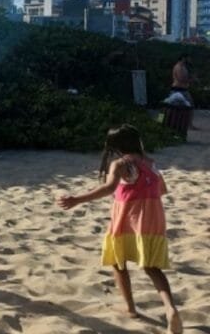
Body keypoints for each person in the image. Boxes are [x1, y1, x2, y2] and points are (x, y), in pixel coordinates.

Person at [57, 125, 182, 333]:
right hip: (153, 218)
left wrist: (77, 199)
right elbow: (163, 189)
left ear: (115, 146)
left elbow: (108, 188)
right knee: (152, 267)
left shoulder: (121, 164)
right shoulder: (149, 162)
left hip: (128, 217)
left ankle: (130, 308)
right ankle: (170, 309)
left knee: (118, 261)